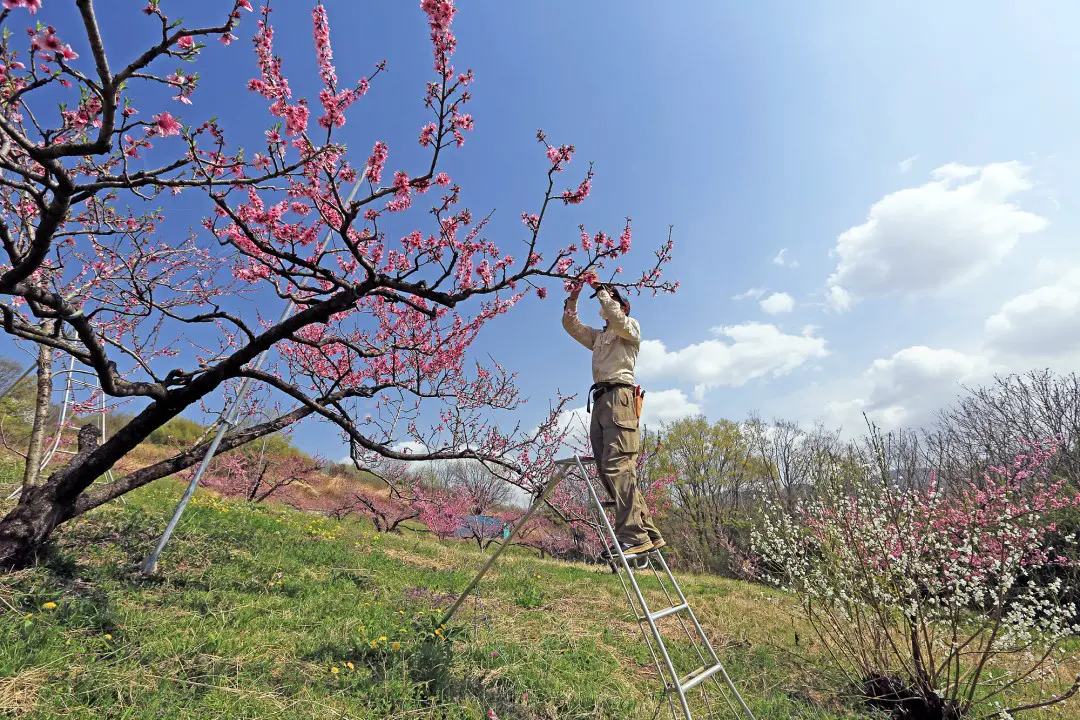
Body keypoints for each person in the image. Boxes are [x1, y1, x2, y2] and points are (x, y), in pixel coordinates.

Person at [562, 269, 665, 557]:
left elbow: (616, 315)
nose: (605, 304)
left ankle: (632, 536)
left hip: (620, 397)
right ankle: (646, 530)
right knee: (606, 467)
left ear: (621, 306)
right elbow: (572, 327)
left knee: (617, 465)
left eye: (610, 300)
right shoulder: (601, 336)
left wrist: (599, 287)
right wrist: (574, 297)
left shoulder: (629, 328)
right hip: (600, 399)